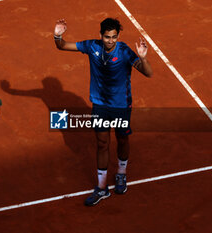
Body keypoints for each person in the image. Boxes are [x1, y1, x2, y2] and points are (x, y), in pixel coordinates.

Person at [54, 18, 153, 206]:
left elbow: (148, 73)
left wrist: (143, 57)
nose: (111, 41)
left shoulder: (124, 51)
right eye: (107, 37)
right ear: (101, 35)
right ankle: (101, 188)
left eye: (114, 37)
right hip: (100, 105)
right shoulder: (92, 46)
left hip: (121, 105)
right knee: (102, 143)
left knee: (122, 139)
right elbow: (63, 46)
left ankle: (121, 174)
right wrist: (57, 35)